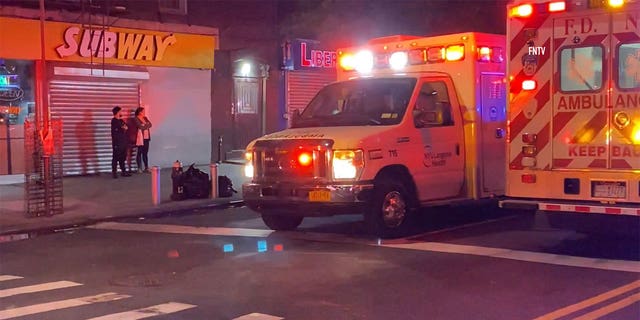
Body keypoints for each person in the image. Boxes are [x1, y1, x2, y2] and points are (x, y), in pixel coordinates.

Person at [111, 106, 130, 178]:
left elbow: (126, 127)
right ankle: (114, 173)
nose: (122, 112)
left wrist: (123, 127)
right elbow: (121, 128)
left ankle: (123, 171)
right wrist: (123, 127)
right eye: (120, 111)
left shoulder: (121, 120)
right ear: (117, 112)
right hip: (117, 143)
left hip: (123, 142)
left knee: (122, 157)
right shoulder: (114, 121)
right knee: (115, 157)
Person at [134, 107, 152, 173]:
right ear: (139, 112)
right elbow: (140, 127)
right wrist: (145, 125)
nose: (144, 112)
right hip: (141, 138)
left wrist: (145, 125)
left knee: (145, 153)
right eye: (143, 111)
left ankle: (146, 167)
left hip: (147, 137)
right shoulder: (136, 118)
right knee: (139, 152)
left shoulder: (145, 118)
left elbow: (150, 124)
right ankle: (139, 168)